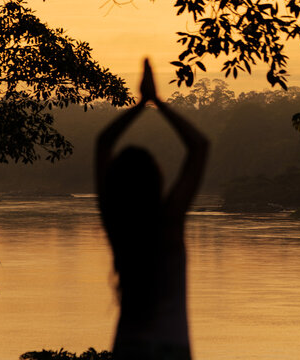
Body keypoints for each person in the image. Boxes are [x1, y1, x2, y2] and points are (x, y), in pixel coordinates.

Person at [95, 59, 208, 360]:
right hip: (172, 351)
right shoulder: (169, 227)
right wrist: (156, 102)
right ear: (158, 181)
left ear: (116, 186)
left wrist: (139, 104)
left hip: (129, 350)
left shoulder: (119, 229)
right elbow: (199, 147)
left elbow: (103, 143)